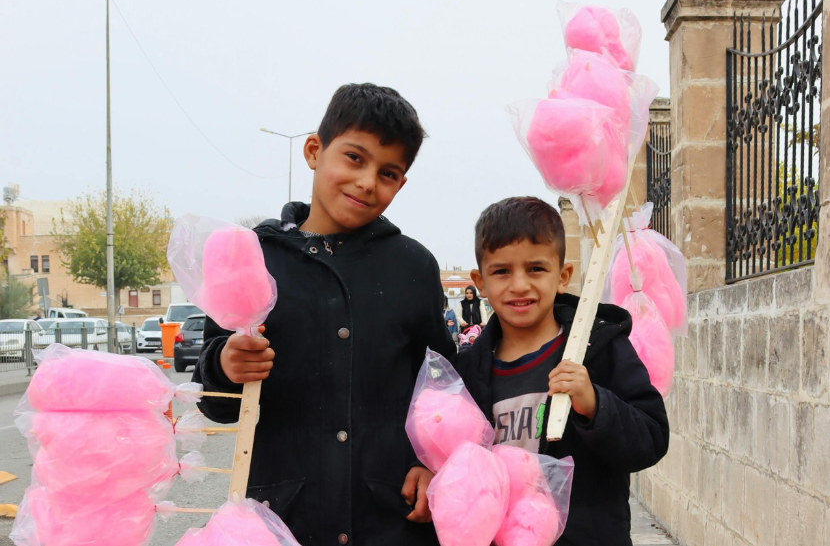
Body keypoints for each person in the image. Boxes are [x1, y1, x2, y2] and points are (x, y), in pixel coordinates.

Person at [193, 84, 456, 546]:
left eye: (388, 172)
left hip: (391, 520)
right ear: (314, 151)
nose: (367, 181)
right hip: (284, 521)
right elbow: (213, 402)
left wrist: (438, 462)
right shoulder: (253, 257)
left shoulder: (413, 267)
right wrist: (224, 364)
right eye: (355, 158)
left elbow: (444, 386)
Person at [453, 197, 669, 546]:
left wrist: (595, 405)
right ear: (480, 281)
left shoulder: (598, 348)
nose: (519, 284)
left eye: (536, 269)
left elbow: (652, 438)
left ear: (562, 276)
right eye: (502, 271)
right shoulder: (466, 372)